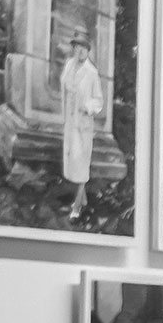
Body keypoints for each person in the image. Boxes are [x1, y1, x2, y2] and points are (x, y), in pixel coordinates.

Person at [60, 31, 104, 222]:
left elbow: (98, 101)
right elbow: (65, 86)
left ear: (88, 50)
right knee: (72, 162)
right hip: (70, 122)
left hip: (83, 124)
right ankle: (83, 200)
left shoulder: (92, 73)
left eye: (83, 48)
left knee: (81, 164)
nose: (79, 51)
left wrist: (87, 107)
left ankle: (77, 207)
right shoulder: (69, 65)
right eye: (77, 47)